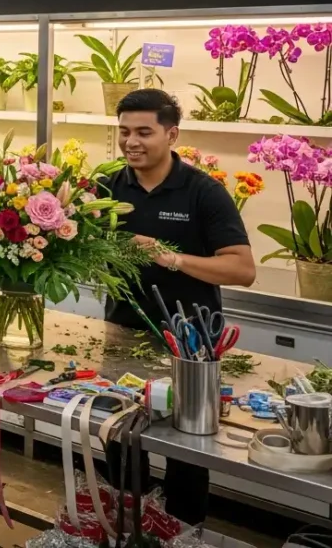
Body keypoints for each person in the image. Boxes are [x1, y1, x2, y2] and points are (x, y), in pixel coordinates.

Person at [104, 88, 256, 525]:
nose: (131, 141)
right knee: (121, 440)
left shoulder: (202, 193)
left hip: (190, 348)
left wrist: (171, 258)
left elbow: (242, 269)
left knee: (188, 451)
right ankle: (126, 529)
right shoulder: (107, 188)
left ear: (172, 134)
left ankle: (184, 532)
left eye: (144, 132)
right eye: (124, 132)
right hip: (121, 336)